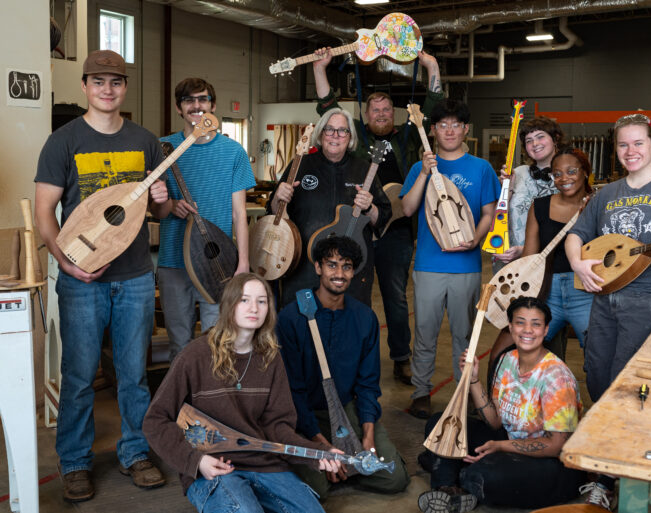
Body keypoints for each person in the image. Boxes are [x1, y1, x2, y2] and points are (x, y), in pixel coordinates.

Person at [34, 50, 169, 502]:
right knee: (78, 376)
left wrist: (163, 198)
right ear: (85, 86)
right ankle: (74, 462)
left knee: (133, 375)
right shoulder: (63, 141)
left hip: (135, 276)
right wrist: (66, 262)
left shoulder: (145, 141)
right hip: (80, 278)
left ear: (125, 87)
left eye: (115, 82)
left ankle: (136, 453)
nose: (107, 90)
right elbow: (44, 212)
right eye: (98, 82)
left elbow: (161, 211)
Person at [565, 114, 651, 509]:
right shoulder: (607, 193)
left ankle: (618, 478)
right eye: (623, 144)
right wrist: (578, 263)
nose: (631, 151)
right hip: (604, 298)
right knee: (597, 376)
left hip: (649, 299)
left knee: (629, 388)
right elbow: (577, 234)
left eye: (638, 143)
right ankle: (614, 463)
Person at [143, 273, 341, 513]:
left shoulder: (270, 358)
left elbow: (277, 428)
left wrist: (315, 454)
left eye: (261, 301)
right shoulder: (194, 357)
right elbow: (155, 421)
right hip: (214, 469)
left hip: (263, 465)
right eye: (244, 300)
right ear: (229, 305)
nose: (254, 308)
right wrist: (196, 461)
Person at [312, 48, 444, 386]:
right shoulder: (356, 137)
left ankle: (401, 357)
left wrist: (431, 66)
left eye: (387, 110)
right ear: (366, 114)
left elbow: (432, 109)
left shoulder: (407, 137)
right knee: (350, 293)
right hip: (356, 228)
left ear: (392, 113)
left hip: (396, 230)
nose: (382, 114)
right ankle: (348, 353)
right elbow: (328, 108)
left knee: (395, 296)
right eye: (376, 110)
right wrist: (320, 69)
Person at [417, 296, 585, 512]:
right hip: (509, 442)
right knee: (441, 424)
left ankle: (453, 471)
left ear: (545, 330)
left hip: (553, 461)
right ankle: (447, 489)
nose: (527, 330)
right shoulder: (507, 360)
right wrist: (473, 380)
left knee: (483, 474)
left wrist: (500, 447)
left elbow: (556, 445)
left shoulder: (557, 377)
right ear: (511, 327)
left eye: (536, 324)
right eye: (520, 322)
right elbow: (495, 422)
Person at [276, 236, 410, 500]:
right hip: (304, 414)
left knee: (394, 478)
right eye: (332, 265)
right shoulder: (291, 317)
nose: (339, 274)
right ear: (318, 267)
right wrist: (322, 445)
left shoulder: (364, 318)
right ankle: (335, 467)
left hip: (346, 410)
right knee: (316, 490)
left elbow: (368, 384)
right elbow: (293, 390)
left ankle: (345, 466)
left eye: (346, 266)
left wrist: (368, 437)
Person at [400, 98, 500, 419]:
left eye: (456, 125)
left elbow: (489, 213)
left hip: (466, 266)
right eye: (443, 125)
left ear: (466, 129)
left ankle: (464, 392)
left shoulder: (481, 168)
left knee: (464, 336)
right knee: (425, 332)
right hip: (428, 265)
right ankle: (420, 392)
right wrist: (423, 173)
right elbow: (407, 209)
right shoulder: (419, 167)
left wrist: (475, 239)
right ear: (432, 130)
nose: (450, 131)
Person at [158, 77, 255, 361]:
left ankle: (214, 392)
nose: (196, 106)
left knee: (219, 343)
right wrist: (172, 205)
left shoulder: (233, 152)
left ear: (213, 105)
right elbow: (153, 206)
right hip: (174, 261)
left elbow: (239, 213)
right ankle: (182, 391)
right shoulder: (163, 148)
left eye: (203, 99)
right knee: (179, 345)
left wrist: (243, 263)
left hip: (218, 262)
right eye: (189, 100)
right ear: (179, 108)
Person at [267, 108, 392, 308]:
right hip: (303, 268)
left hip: (350, 270)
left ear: (350, 138)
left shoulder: (363, 169)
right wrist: (277, 197)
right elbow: (274, 212)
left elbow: (383, 217)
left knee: (349, 321)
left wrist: (369, 207)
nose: (335, 135)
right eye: (329, 129)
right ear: (320, 134)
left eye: (342, 130)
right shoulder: (300, 165)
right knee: (300, 321)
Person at [491, 148, 594, 363]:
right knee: (501, 353)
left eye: (571, 171)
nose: (564, 178)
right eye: (557, 174)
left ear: (585, 172)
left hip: (586, 291)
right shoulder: (540, 205)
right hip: (546, 290)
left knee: (598, 358)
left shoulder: (597, 205)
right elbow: (529, 257)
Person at [493, 116, 566, 273]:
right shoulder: (518, 173)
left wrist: (524, 250)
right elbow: (497, 217)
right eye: (529, 140)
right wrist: (507, 189)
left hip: (551, 264)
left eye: (540, 137)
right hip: (511, 264)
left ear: (555, 139)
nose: (535, 144)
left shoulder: (568, 177)